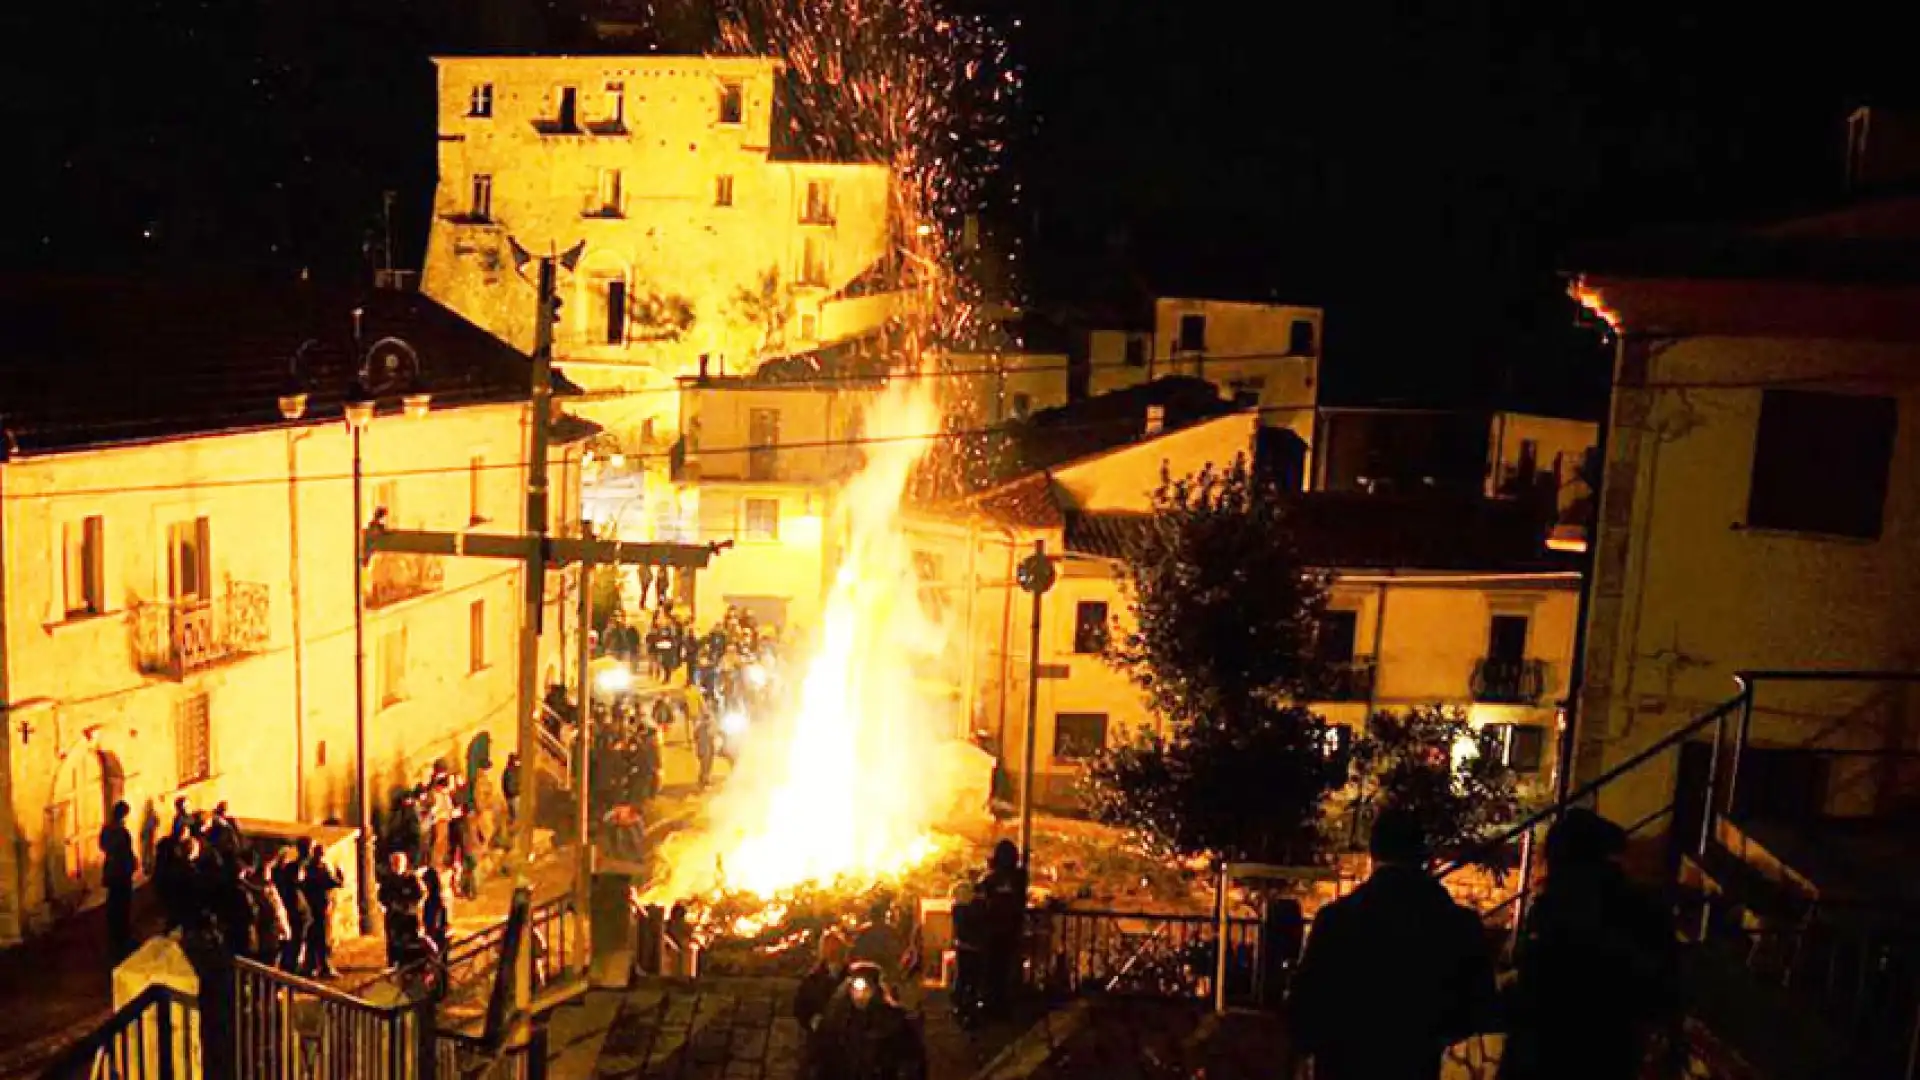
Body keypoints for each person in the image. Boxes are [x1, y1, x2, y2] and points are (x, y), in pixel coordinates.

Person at [1289, 808, 1497, 1080]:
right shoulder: (1458, 925)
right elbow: (1479, 1014)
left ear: (1372, 855)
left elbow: (1305, 1009)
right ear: (1423, 856)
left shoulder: (1336, 920)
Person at [1499, 809, 1680, 1080]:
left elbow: (1540, 981)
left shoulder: (1559, 908)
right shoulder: (1638, 907)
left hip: (1556, 1052)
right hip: (1606, 1053)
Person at [810, 962, 927, 1080]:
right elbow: (821, 1060)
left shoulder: (894, 1021)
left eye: (866, 989)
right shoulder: (836, 1020)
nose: (860, 994)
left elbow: (911, 1062)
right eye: (855, 989)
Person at [974, 840, 1028, 1018]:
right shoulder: (1019, 877)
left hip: (992, 933)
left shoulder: (990, 878)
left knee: (990, 970)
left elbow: (980, 898)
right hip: (1010, 931)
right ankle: (1002, 1006)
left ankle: (990, 1005)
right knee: (1004, 970)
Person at [100, 800, 139, 964]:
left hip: (113, 871)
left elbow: (103, 846)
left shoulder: (107, 830)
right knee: (122, 903)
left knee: (114, 902)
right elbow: (125, 851)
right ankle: (122, 938)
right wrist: (131, 863)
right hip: (121, 872)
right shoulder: (121, 832)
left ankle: (115, 936)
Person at [299, 840, 343, 978]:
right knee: (321, 939)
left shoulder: (309, 868)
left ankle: (312, 966)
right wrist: (340, 873)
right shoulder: (318, 868)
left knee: (314, 938)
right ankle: (322, 966)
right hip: (319, 909)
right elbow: (335, 882)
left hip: (315, 907)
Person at [378, 852, 426, 967]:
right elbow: (381, 896)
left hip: (409, 915)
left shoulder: (412, 878)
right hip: (393, 916)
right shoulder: (387, 880)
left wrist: (410, 905)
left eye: (399, 862)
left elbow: (421, 893)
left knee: (410, 939)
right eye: (394, 863)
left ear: (404, 864)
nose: (397, 865)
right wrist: (390, 905)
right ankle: (393, 962)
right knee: (393, 941)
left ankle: (411, 962)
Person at [949, 882, 987, 1028]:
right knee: (967, 978)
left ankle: (965, 1007)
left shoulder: (962, 909)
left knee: (967, 979)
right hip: (969, 948)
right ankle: (965, 1007)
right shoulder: (962, 909)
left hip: (969, 948)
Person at [272, 846, 310, 973]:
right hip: (295, 912)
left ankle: (290, 968)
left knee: (294, 944)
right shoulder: (284, 872)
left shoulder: (281, 872)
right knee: (293, 945)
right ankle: (289, 970)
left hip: (296, 912)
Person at [421, 867, 453, 961]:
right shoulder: (430, 899)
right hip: (435, 933)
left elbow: (439, 918)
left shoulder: (438, 899)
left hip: (439, 934)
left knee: (439, 962)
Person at [501, 754, 522, 827]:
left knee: (513, 817)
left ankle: (511, 829)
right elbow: (510, 786)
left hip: (510, 797)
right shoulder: (512, 771)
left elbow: (505, 785)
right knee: (516, 817)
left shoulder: (507, 771)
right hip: (514, 797)